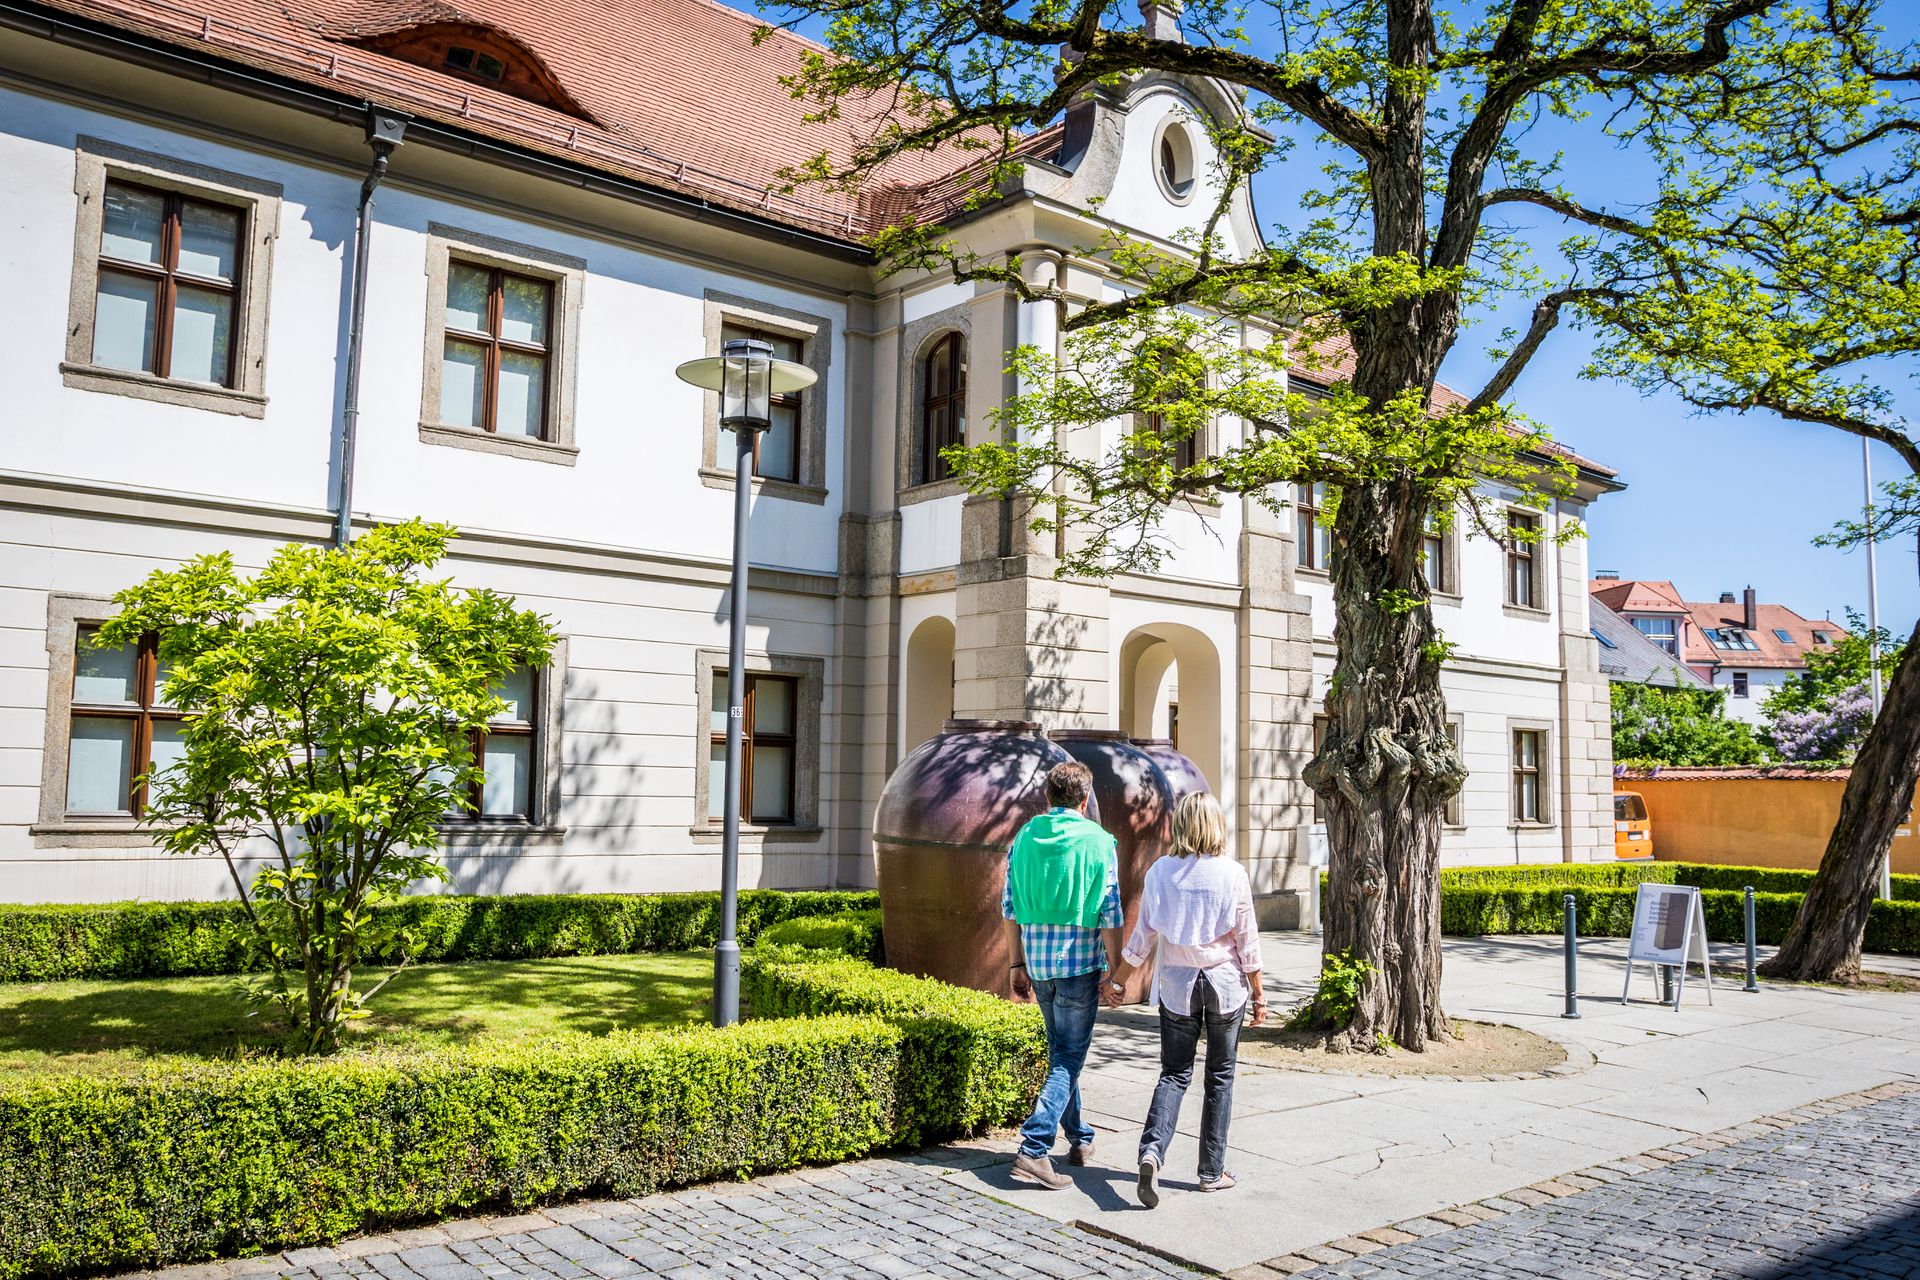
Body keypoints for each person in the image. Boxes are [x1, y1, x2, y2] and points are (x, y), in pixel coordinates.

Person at [1104, 791, 1266, 1206]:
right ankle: (1211, 1172)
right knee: (1220, 1076)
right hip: (1224, 985)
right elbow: (1247, 942)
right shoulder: (1233, 874)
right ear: (1216, 824)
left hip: (1177, 986)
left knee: (1174, 1073)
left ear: (1179, 826)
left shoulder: (1161, 872)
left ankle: (1152, 1152)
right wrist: (1260, 994)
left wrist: (1119, 982)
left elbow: (1142, 939)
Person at [1002, 759, 1124, 1189]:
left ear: (1046, 796)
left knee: (1062, 1056)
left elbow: (1010, 907)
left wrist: (1015, 963)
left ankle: (1079, 1138)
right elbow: (1110, 911)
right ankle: (1034, 1148)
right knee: (1070, 1058)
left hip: (1036, 962)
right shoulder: (1099, 841)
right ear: (1086, 798)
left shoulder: (1023, 837)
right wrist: (1115, 971)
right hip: (1078, 964)